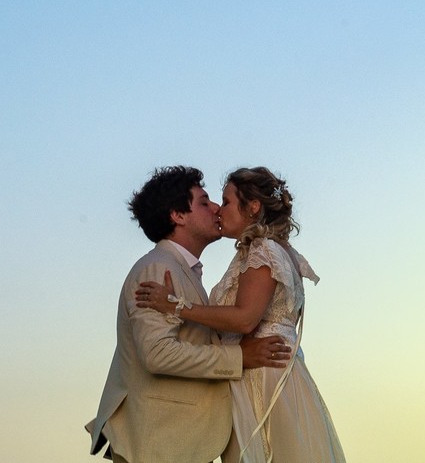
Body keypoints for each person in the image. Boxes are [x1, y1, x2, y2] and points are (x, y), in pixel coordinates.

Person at [137, 167, 345, 463]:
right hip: (267, 373)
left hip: (263, 377)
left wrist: (177, 307)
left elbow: (246, 318)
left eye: (226, 201)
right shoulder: (269, 250)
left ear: (253, 207)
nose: (219, 210)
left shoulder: (263, 250)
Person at [87, 165, 291, 463]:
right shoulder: (157, 268)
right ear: (178, 215)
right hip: (160, 442)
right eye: (204, 202)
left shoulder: (184, 272)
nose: (216, 209)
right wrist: (239, 358)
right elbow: (157, 353)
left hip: (181, 443)